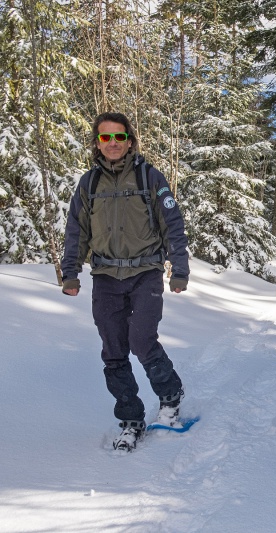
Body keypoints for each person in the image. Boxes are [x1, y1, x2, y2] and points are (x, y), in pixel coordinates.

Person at [61, 112, 190, 452]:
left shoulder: (149, 177)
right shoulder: (89, 184)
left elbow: (172, 223)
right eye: (105, 138)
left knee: (142, 339)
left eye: (119, 137)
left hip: (145, 272)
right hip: (105, 277)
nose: (113, 144)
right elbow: (77, 231)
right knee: (113, 350)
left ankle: (170, 395)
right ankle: (131, 419)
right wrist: (70, 272)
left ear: (130, 140)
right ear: (97, 143)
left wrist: (179, 269)